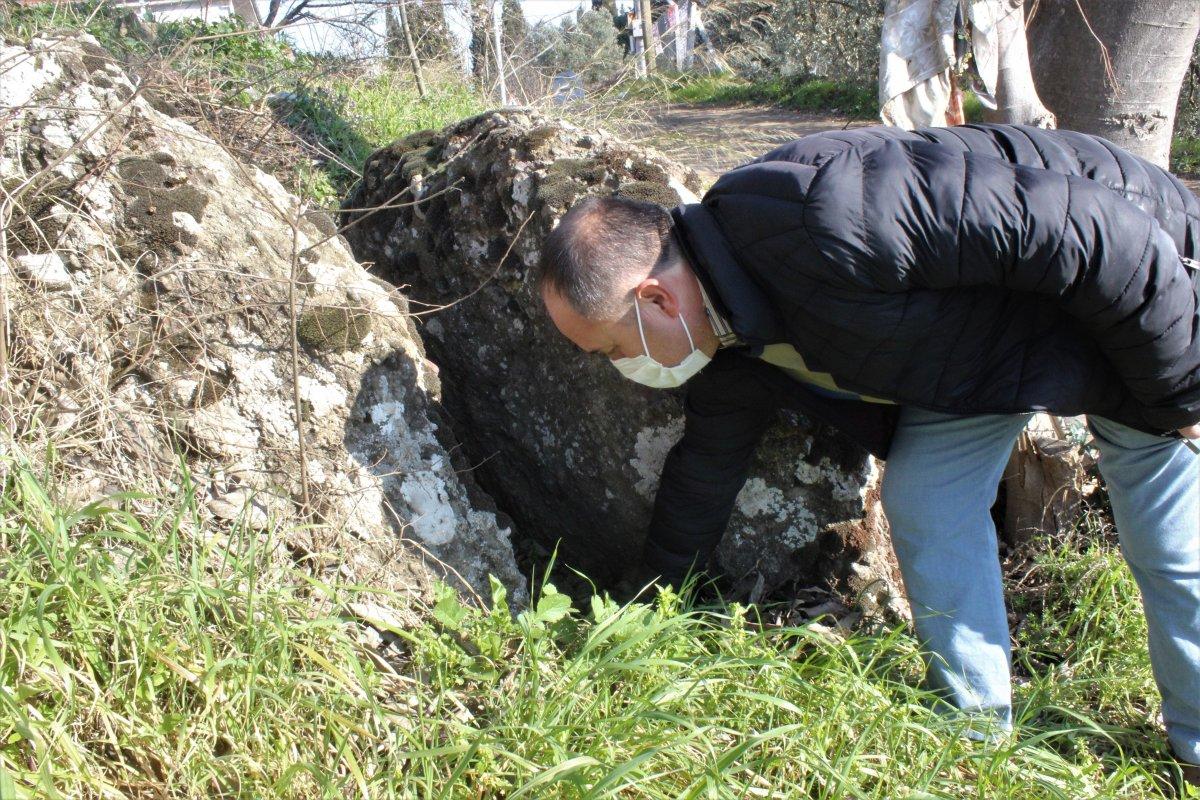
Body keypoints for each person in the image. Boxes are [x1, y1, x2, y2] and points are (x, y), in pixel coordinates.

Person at [537, 123, 1200, 787]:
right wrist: (655, 600)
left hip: (1138, 290)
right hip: (994, 348)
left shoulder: (829, 212)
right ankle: (976, 739)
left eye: (614, 349)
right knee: (927, 503)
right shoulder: (727, 334)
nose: (623, 366)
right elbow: (707, 468)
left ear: (656, 297)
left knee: (1164, 533)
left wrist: (1180, 393)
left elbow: (1098, 233)